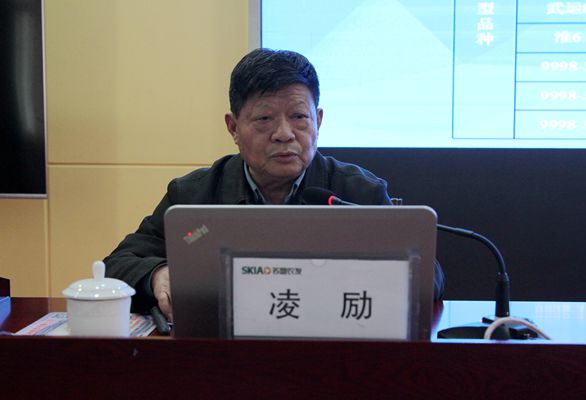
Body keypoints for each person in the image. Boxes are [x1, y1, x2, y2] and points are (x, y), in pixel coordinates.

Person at [104, 48, 444, 320]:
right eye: (265, 118)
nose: (284, 134)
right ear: (233, 128)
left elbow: (429, 278)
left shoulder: (357, 192)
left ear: (318, 121)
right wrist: (157, 274)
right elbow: (117, 263)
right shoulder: (194, 194)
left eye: (299, 117)